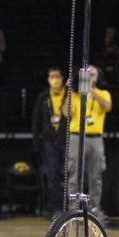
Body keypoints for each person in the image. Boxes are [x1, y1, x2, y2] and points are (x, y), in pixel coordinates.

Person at [65, 64, 111, 219]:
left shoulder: (103, 93)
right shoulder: (76, 94)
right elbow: (66, 113)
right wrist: (69, 90)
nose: (90, 76)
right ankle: (73, 208)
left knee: (95, 175)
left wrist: (91, 90)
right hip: (77, 136)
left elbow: (107, 106)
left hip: (95, 138)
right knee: (74, 173)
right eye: (87, 73)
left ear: (98, 77)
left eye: (93, 73)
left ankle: (94, 208)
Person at [31, 67, 67, 214]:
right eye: (51, 76)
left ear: (62, 78)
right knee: (53, 176)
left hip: (66, 140)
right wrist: (35, 140)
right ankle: (56, 208)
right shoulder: (43, 97)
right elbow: (36, 120)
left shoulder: (69, 95)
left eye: (57, 76)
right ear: (47, 79)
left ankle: (69, 207)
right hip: (49, 141)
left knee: (68, 174)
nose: (55, 79)